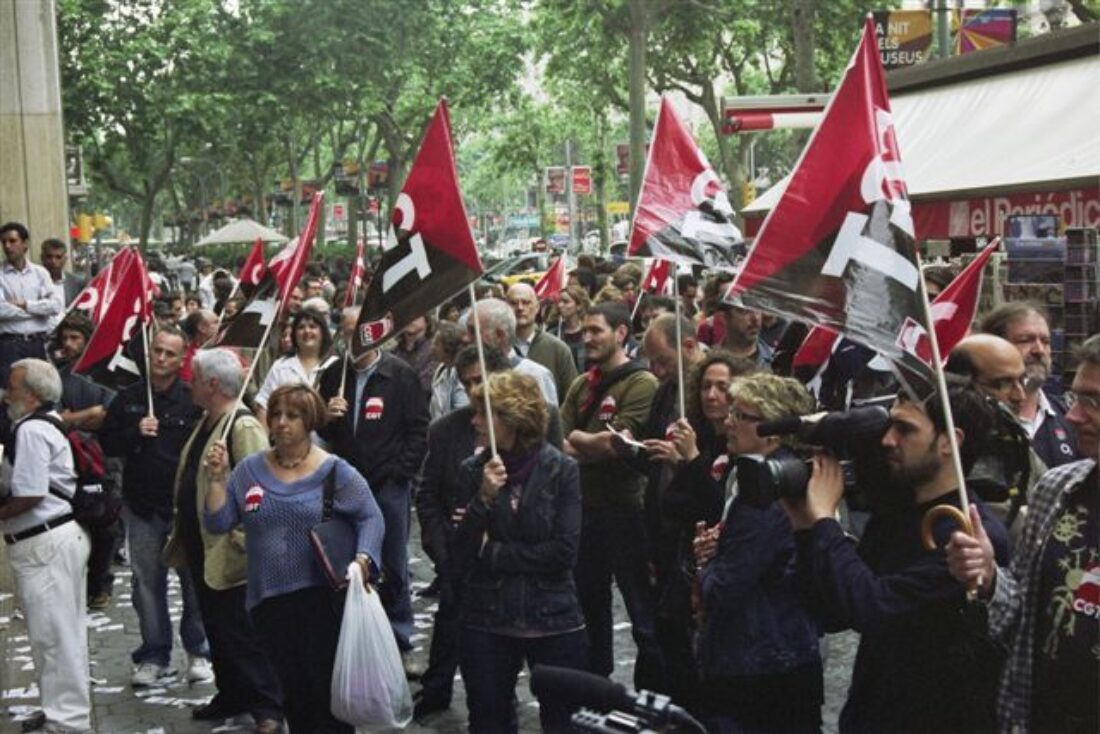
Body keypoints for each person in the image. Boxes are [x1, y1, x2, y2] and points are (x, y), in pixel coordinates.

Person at [782, 378, 1011, 733]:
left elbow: (875, 608)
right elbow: (831, 612)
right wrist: (805, 528)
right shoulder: (898, 514)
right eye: (890, 424)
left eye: (905, 430)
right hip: (871, 714)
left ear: (950, 442)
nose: (888, 440)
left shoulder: (968, 536)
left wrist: (826, 522)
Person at [203, 384, 385, 734]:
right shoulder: (249, 471)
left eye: (293, 416)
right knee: (293, 696)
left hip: (321, 598)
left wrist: (364, 558)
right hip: (270, 602)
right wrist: (215, 479)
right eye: (276, 415)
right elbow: (218, 521)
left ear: (310, 421)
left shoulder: (334, 471)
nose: (282, 423)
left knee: (325, 697)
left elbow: (371, 517)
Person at [946, 333, 1100, 734]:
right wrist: (991, 577)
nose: (1074, 417)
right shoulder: (1058, 489)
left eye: (1094, 402)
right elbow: (1022, 612)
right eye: (1075, 398)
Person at [454, 371, 587, 733]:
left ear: (511, 418)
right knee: (488, 720)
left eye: (484, 413)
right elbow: (461, 554)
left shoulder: (562, 470)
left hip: (553, 616)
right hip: (487, 616)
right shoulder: (472, 471)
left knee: (564, 722)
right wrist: (483, 498)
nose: (475, 421)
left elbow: (563, 552)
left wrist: (494, 554)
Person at [691, 373, 823, 732]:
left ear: (774, 431)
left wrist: (707, 571)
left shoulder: (765, 491)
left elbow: (727, 586)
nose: (728, 422)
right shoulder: (756, 473)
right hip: (776, 652)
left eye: (741, 416)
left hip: (760, 660)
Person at [162, 349, 283, 733]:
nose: (188, 382)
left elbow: (260, 489)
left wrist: (244, 540)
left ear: (212, 385)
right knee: (218, 627)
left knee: (242, 631)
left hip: (232, 548)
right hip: (203, 544)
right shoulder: (208, 421)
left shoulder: (242, 426)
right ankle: (231, 692)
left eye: (194, 377)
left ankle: (268, 708)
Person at [99, 326, 212, 686]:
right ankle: (154, 655)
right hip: (143, 509)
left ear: (182, 360)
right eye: (157, 351)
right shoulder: (128, 398)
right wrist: (135, 431)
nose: (161, 359)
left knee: (194, 584)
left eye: (169, 354)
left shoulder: (192, 400)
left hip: (184, 508)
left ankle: (198, 652)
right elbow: (108, 445)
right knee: (147, 584)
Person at [560, 302, 663, 689]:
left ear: (621, 333)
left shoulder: (641, 383)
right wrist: (587, 442)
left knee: (641, 607)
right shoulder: (580, 384)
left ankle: (650, 694)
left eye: (596, 331)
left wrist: (580, 441)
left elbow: (614, 444)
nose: (587, 338)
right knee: (590, 604)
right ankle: (597, 686)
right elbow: (558, 436)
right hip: (585, 512)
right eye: (585, 331)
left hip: (627, 512)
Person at [318, 323, 429, 671]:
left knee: (393, 562)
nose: (355, 338)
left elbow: (418, 428)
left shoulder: (400, 374)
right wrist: (326, 414)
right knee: (348, 562)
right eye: (348, 330)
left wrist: (400, 474)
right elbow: (323, 429)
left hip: (387, 486)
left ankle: (400, 639)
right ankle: (354, 638)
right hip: (346, 484)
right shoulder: (335, 374)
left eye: (361, 330)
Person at [412, 344, 512, 720]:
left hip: (505, 558)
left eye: (480, 380)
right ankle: (436, 690)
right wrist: (441, 551)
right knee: (450, 620)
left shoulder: (529, 427)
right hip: (456, 556)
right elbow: (428, 496)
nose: (473, 390)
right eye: (466, 382)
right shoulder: (445, 430)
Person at [1, 359, 92, 733]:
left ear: (33, 394)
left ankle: (66, 721)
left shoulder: (32, 431)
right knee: (58, 633)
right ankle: (61, 708)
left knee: (54, 636)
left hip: (44, 541)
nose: (7, 394)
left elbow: (31, 492)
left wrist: (3, 512)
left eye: (13, 387)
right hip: (52, 539)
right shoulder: (40, 426)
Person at [53, 314, 121, 611]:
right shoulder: (57, 377)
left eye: (75, 338)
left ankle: (101, 584)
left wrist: (76, 417)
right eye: (65, 338)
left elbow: (108, 414)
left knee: (106, 521)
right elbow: (58, 419)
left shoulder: (106, 373)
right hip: (72, 457)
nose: (68, 344)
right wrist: (84, 415)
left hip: (105, 455)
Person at [980, 302, 1080, 467]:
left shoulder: (1070, 417)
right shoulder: (973, 417)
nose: (1039, 350)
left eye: (1046, 341)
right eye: (1025, 340)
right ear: (995, 346)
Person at [0, 222, 62, 386]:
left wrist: (25, 304)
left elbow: (55, 306)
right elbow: (2, 310)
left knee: (39, 390)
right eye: (3, 242)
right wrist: (38, 310)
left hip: (37, 344)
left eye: (12, 241)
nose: (7, 246)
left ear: (25, 243)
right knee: (11, 389)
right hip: (9, 345)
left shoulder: (40, 273)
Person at [467, 298, 558, 404]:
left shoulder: (535, 376)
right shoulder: (467, 373)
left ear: (499, 335)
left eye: (473, 331)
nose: (466, 338)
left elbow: (547, 418)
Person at [255, 307, 336, 425]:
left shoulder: (335, 366)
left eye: (313, 327)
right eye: (301, 327)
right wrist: (263, 441)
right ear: (294, 334)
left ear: (323, 332)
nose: (307, 331)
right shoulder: (281, 366)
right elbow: (264, 406)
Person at [507, 282, 578, 401]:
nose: (520, 308)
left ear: (537, 308)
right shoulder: (498, 349)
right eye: (514, 303)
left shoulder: (558, 349)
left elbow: (571, 398)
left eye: (526, 302)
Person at [428, 320, 469, 421]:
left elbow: (461, 409)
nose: (432, 347)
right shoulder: (441, 370)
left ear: (448, 346)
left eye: (436, 343)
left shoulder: (460, 374)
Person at [39, 238, 84, 327]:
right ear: (42, 258)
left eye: (58, 257)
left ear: (65, 259)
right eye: (49, 257)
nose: (53, 261)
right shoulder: (34, 281)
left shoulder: (75, 283)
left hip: (66, 335)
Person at [393, 314, 438, 396]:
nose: (410, 319)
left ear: (426, 321)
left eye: (416, 314)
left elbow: (425, 385)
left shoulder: (434, 349)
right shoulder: (394, 353)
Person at [555, 285, 590, 372]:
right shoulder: (554, 333)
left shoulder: (589, 332)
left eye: (565, 302)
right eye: (559, 301)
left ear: (579, 306)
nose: (560, 305)